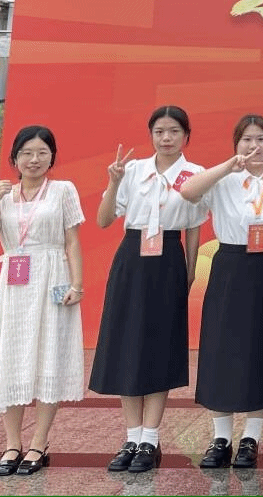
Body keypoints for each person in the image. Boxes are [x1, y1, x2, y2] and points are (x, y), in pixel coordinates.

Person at [178, 114, 263, 470]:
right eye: (246, 139)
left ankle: (251, 438)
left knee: (261, 351)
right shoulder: (222, 178)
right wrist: (227, 166)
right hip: (230, 267)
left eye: (261, 139)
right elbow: (188, 192)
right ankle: (220, 439)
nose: (254, 146)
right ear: (236, 144)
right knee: (220, 350)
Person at [89, 106, 208, 473]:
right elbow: (104, 220)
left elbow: (194, 227)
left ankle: (150, 440)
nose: (166, 138)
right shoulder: (133, 170)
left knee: (159, 347)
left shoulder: (196, 174)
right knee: (128, 345)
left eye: (174, 131)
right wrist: (113, 182)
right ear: (151, 135)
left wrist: (189, 271)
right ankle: (132, 437)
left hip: (169, 258)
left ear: (186, 136)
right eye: (159, 131)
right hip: (132, 257)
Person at [0, 126, 85, 476]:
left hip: (52, 278)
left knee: (48, 357)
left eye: (41, 152)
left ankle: (39, 443)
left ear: (52, 156)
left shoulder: (63, 190)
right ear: (14, 158)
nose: (34, 159)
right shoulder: (5, 195)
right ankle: (12, 444)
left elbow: (72, 241)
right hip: (14, 287)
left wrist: (78, 285)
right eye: (26, 153)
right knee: (11, 360)